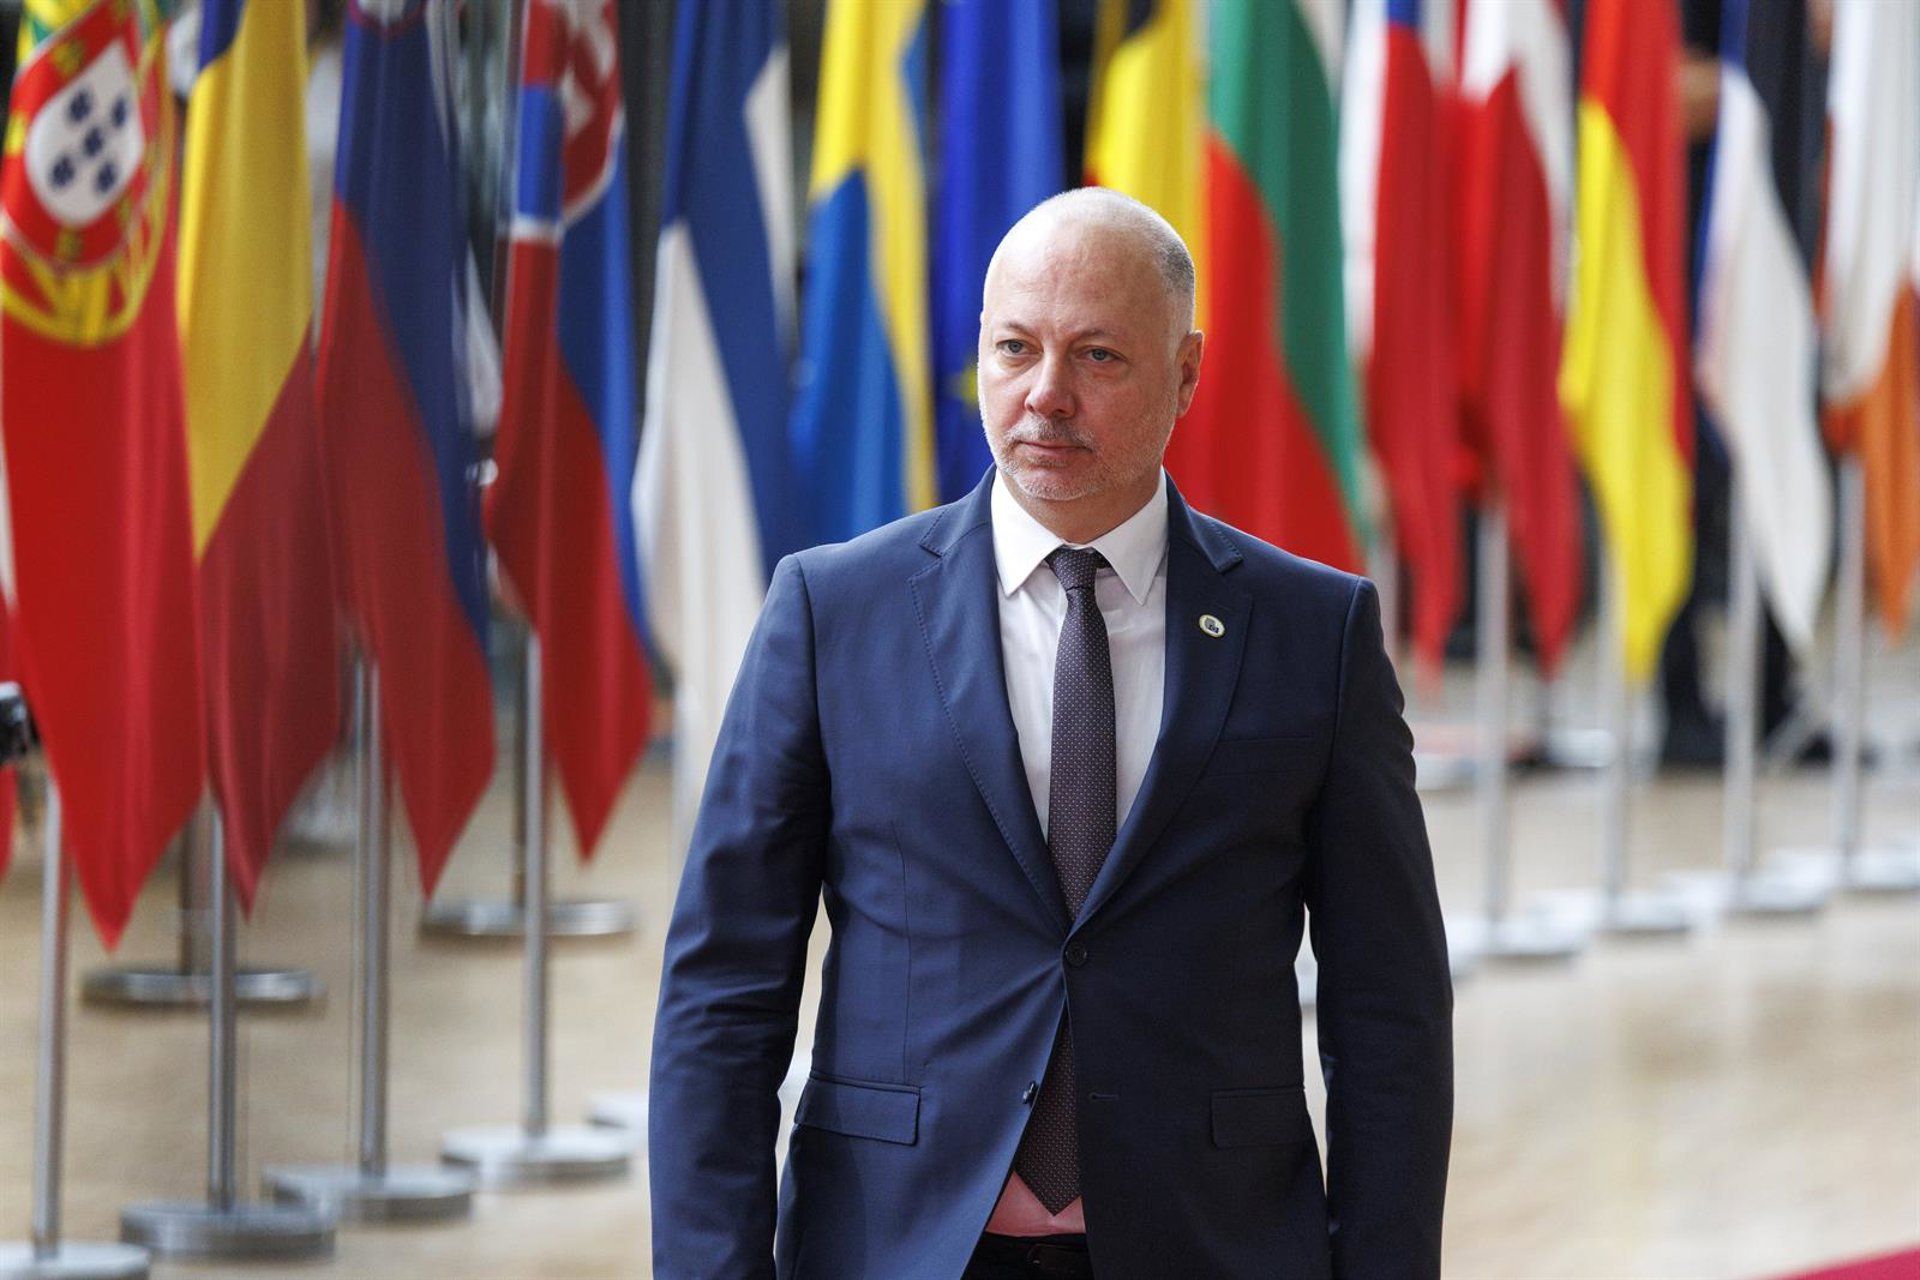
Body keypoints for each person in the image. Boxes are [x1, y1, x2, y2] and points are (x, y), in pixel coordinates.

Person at [649, 188, 1453, 1280]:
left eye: (1098, 356)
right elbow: (722, 993)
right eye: (1015, 348)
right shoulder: (831, 613)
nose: (1046, 395)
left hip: (1210, 1244)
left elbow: (1389, 1013)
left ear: (1186, 372)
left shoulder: (1316, 633)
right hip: (898, 1245)